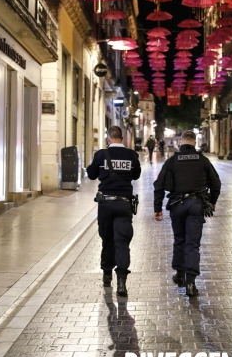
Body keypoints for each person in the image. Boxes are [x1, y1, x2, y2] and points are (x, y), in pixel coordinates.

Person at [153, 130, 221, 296]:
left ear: (180, 143)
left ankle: (180, 274)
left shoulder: (172, 161)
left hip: (177, 204)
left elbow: (159, 185)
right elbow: (216, 183)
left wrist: (157, 208)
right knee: (193, 243)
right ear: (195, 143)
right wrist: (212, 201)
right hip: (196, 204)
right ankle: (191, 283)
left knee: (179, 240)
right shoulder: (203, 161)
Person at [87, 126, 141, 296]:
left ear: (108, 138)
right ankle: (122, 283)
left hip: (106, 204)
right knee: (122, 242)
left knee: (107, 240)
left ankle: (107, 275)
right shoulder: (132, 155)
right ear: (122, 138)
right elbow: (136, 175)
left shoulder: (101, 155)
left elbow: (91, 175)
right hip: (124, 204)